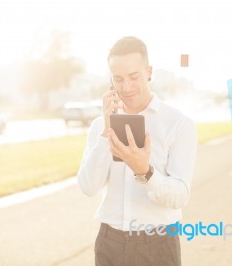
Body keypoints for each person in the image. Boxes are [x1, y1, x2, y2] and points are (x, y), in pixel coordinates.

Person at [77, 36, 197, 266]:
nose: (126, 87)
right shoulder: (99, 126)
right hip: (109, 242)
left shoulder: (178, 124)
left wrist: (145, 172)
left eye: (134, 77)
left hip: (158, 244)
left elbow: (180, 196)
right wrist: (106, 131)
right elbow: (88, 187)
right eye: (118, 79)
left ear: (148, 71)